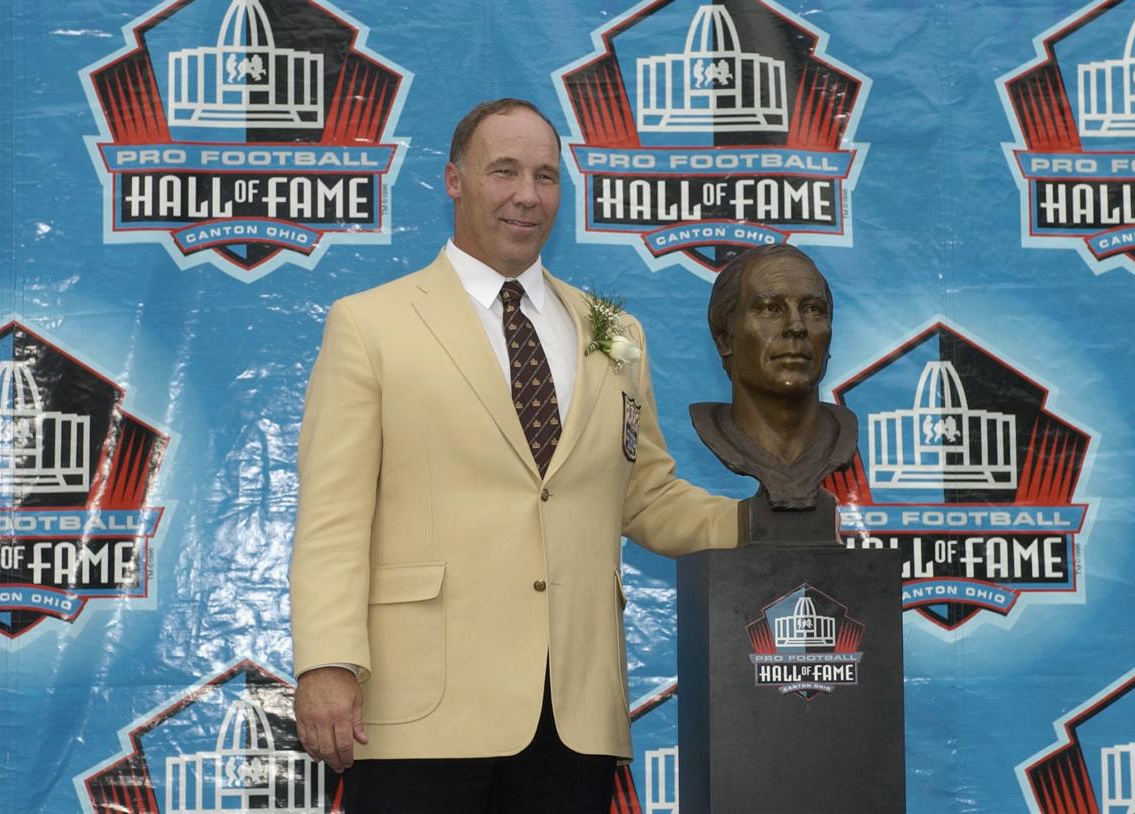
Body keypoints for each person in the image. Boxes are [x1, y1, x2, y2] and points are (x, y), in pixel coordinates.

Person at [290, 98, 744, 814]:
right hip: (419, 715)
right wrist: (325, 662)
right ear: (453, 180)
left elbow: (646, 495)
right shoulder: (369, 325)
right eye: (503, 171)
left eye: (545, 176)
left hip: (572, 716)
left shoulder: (611, 328)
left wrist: (770, 526)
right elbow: (332, 517)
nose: (527, 196)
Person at [689, 244, 857, 542]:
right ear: (724, 339)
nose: (796, 327)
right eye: (770, 308)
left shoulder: (840, 438)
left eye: (812, 309)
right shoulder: (714, 429)